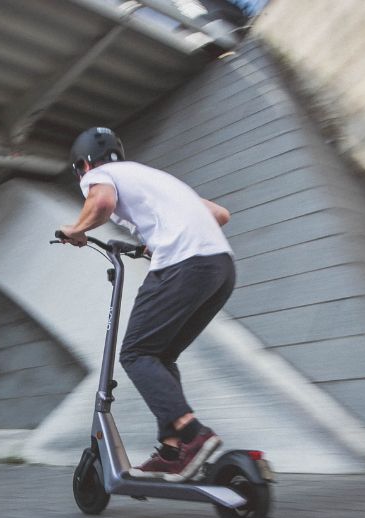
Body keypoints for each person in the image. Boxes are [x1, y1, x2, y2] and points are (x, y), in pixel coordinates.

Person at [59, 127, 235, 481]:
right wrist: (150, 244)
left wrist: (76, 229)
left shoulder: (100, 176)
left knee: (135, 354)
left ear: (83, 164)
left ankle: (192, 433)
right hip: (220, 268)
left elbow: (103, 203)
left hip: (184, 265)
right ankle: (172, 450)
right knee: (160, 356)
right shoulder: (152, 177)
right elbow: (220, 214)